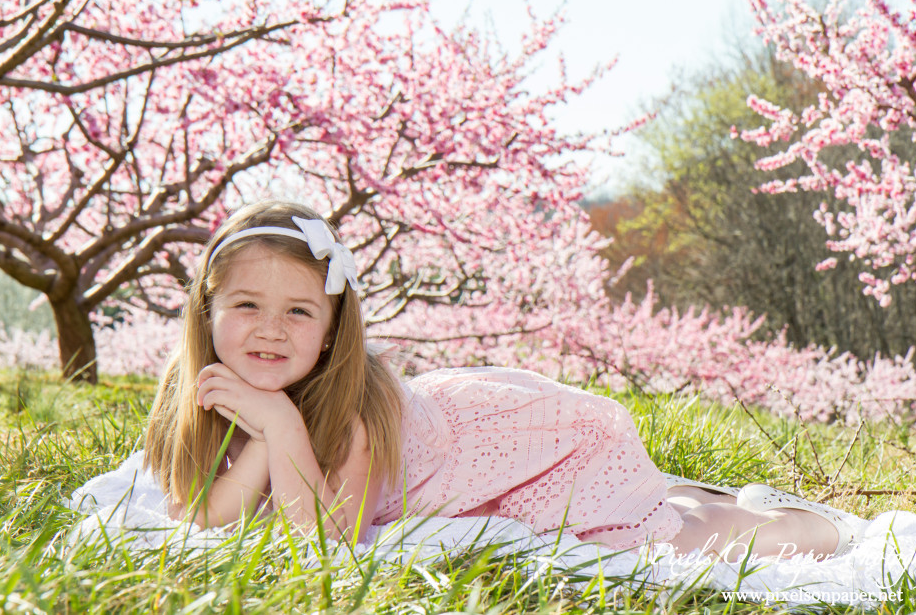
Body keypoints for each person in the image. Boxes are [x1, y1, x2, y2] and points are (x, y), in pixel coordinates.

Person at [143, 200, 855, 560]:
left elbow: (322, 547)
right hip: (464, 457)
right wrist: (268, 427)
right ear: (206, 312)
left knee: (659, 538)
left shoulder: (350, 417)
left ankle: (782, 518)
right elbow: (207, 515)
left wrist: (281, 427)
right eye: (247, 306)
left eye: (298, 310)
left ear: (331, 330)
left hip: (518, 453)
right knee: (647, 513)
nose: (270, 329)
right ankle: (686, 490)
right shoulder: (224, 390)